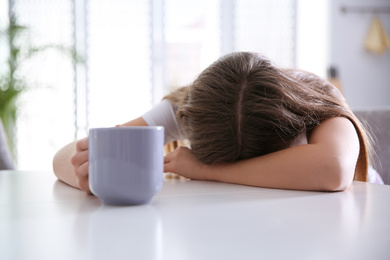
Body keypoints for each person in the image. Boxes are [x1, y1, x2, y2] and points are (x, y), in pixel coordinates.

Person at [53, 51, 377, 194]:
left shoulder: (315, 104)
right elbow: (61, 158)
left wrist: (208, 171)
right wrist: (88, 173)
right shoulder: (190, 109)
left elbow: (333, 168)